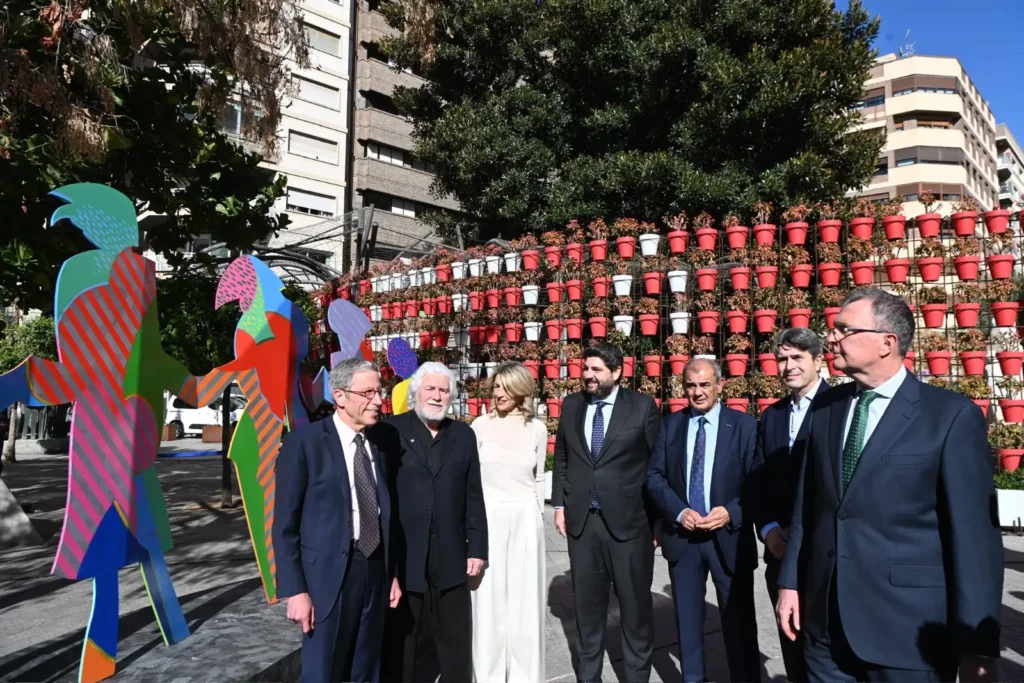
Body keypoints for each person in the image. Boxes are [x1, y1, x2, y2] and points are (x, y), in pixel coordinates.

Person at [776, 288, 1004, 682]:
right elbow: (807, 505)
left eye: (844, 329)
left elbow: (975, 541)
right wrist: (790, 584)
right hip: (824, 630)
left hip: (907, 634)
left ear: (887, 343)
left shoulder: (950, 417)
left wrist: (977, 647)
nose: (832, 337)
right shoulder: (827, 409)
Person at [273, 358, 401, 683]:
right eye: (368, 392)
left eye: (380, 391)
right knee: (323, 671)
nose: (378, 400)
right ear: (340, 396)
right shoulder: (304, 443)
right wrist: (295, 591)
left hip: (375, 569)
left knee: (366, 669)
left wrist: (392, 575)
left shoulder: (382, 441)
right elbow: (285, 524)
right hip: (326, 577)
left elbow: (388, 512)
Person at [551, 342, 661, 683]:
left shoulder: (642, 407)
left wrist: (658, 522)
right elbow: (562, 459)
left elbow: (657, 465)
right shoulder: (572, 405)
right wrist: (559, 505)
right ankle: (589, 677)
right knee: (587, 611)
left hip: (630, 526)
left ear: (617, 372)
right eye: (585, 368)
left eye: (596, 370)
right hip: (583, 524)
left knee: (635, 611)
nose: (588, 375)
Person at [647, 358, 762, 683]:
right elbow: (654, 476)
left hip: (729, 538)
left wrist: (731, 511)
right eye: (691, 385)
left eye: (705, 385)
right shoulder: (670, 426)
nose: (697, 392)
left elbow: (757, 482)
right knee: (687, 624)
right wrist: (679, 512)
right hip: (684, 540)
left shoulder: (745, 426)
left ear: (720, 385)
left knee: (739, 625)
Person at [381, 361, 488, 682]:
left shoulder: (463, 435)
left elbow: (473, 494)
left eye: (444, 390)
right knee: (402, 643)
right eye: (430, 388)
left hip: (451, 553)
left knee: (456, 643)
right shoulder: (390, 431)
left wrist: (477, 547)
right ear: (415, 392)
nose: (437, 396)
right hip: (405, 555)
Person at [756, 327, 826, 683]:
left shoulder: (840, 405)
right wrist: (768, 530)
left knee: (828, 657)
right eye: (782, 359)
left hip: (826, 556)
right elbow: (760, 481)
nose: (788, 366)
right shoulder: (772, 415)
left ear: (818, 360)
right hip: (780, 554)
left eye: (797, 357)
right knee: (793, 651)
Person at [470, 361, 547, 682]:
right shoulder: (480, 426)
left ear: (521, 389)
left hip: (526, 519)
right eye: (496, 387)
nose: (498, 393)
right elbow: (470, 480)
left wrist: (537, 517)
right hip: (487, 515)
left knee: (525, 604)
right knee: (486, 603)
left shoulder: (537, 429)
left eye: (505, 387)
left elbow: (539, 478)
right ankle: (486, 676)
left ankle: (524, 676)